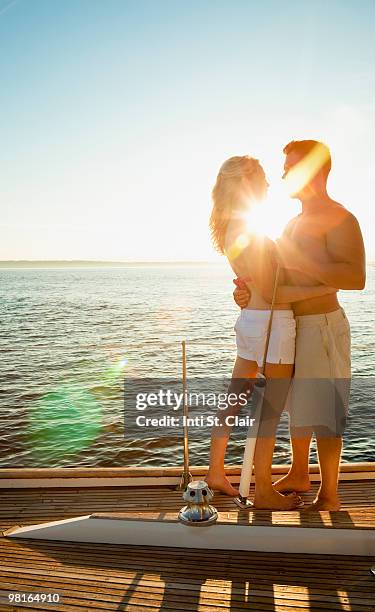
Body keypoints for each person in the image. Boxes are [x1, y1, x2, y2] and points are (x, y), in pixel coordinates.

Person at [234, 140, 366, 510]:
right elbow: (275, 279)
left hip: (322, 325)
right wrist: (246, 295)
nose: (283, 176)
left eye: (291, 167)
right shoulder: (292, 221)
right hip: (291, 324)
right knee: (297, 406)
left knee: (323, 410)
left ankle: (330, 496)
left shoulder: (340, 217)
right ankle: (298, 472)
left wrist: (305, 265)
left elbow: (355, 277)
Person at [205, 155, 337, 510]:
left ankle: (215, 472)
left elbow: (255, 282)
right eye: (262, 179)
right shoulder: (250, 229)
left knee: (233, 400)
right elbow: (271, 284)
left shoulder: (230, 225)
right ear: (247, 183)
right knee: (270, 411)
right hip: (273, 326)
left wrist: (246, 289)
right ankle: (263, 490)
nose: (266, 185)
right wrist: (324, 287)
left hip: (251, 320)